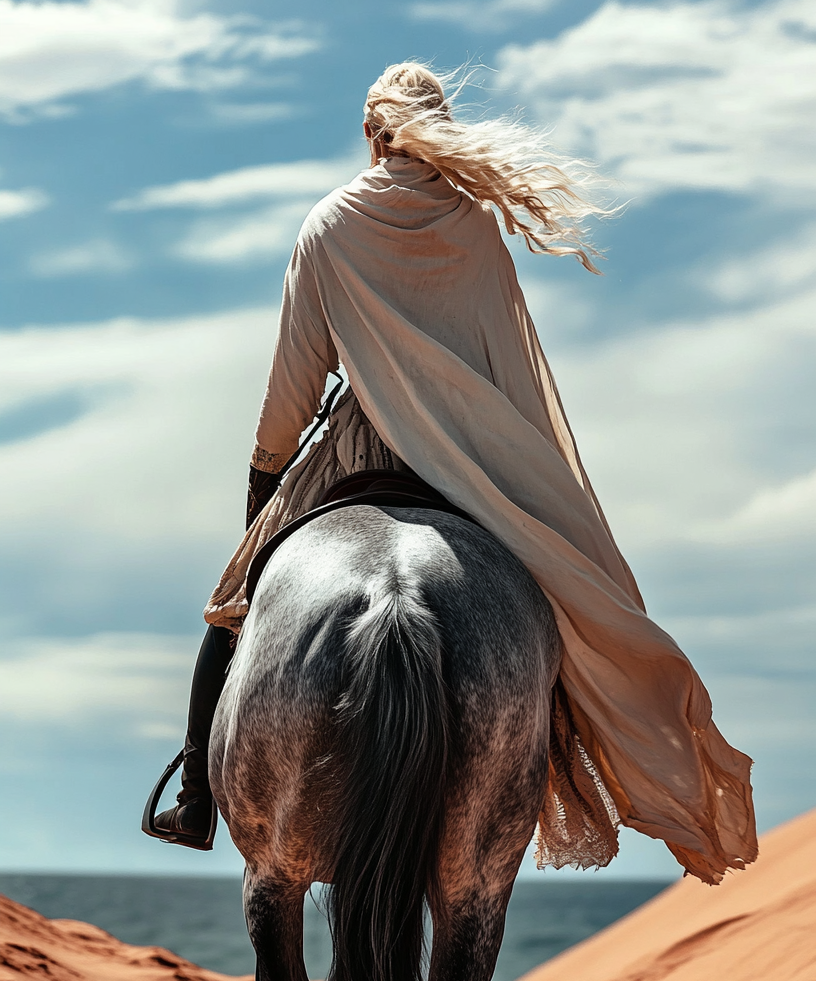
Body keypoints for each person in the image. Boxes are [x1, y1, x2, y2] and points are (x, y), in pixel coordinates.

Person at [149, 61, 757, 884]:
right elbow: (506, 364)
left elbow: (296, 376)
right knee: (549, 617)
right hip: (474, 463)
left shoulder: (329, 223)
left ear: (372, 134)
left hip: (354, 453)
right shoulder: (474, 225)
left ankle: (196, 795)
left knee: (231, 611)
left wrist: (264, 473)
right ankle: (547, 770)